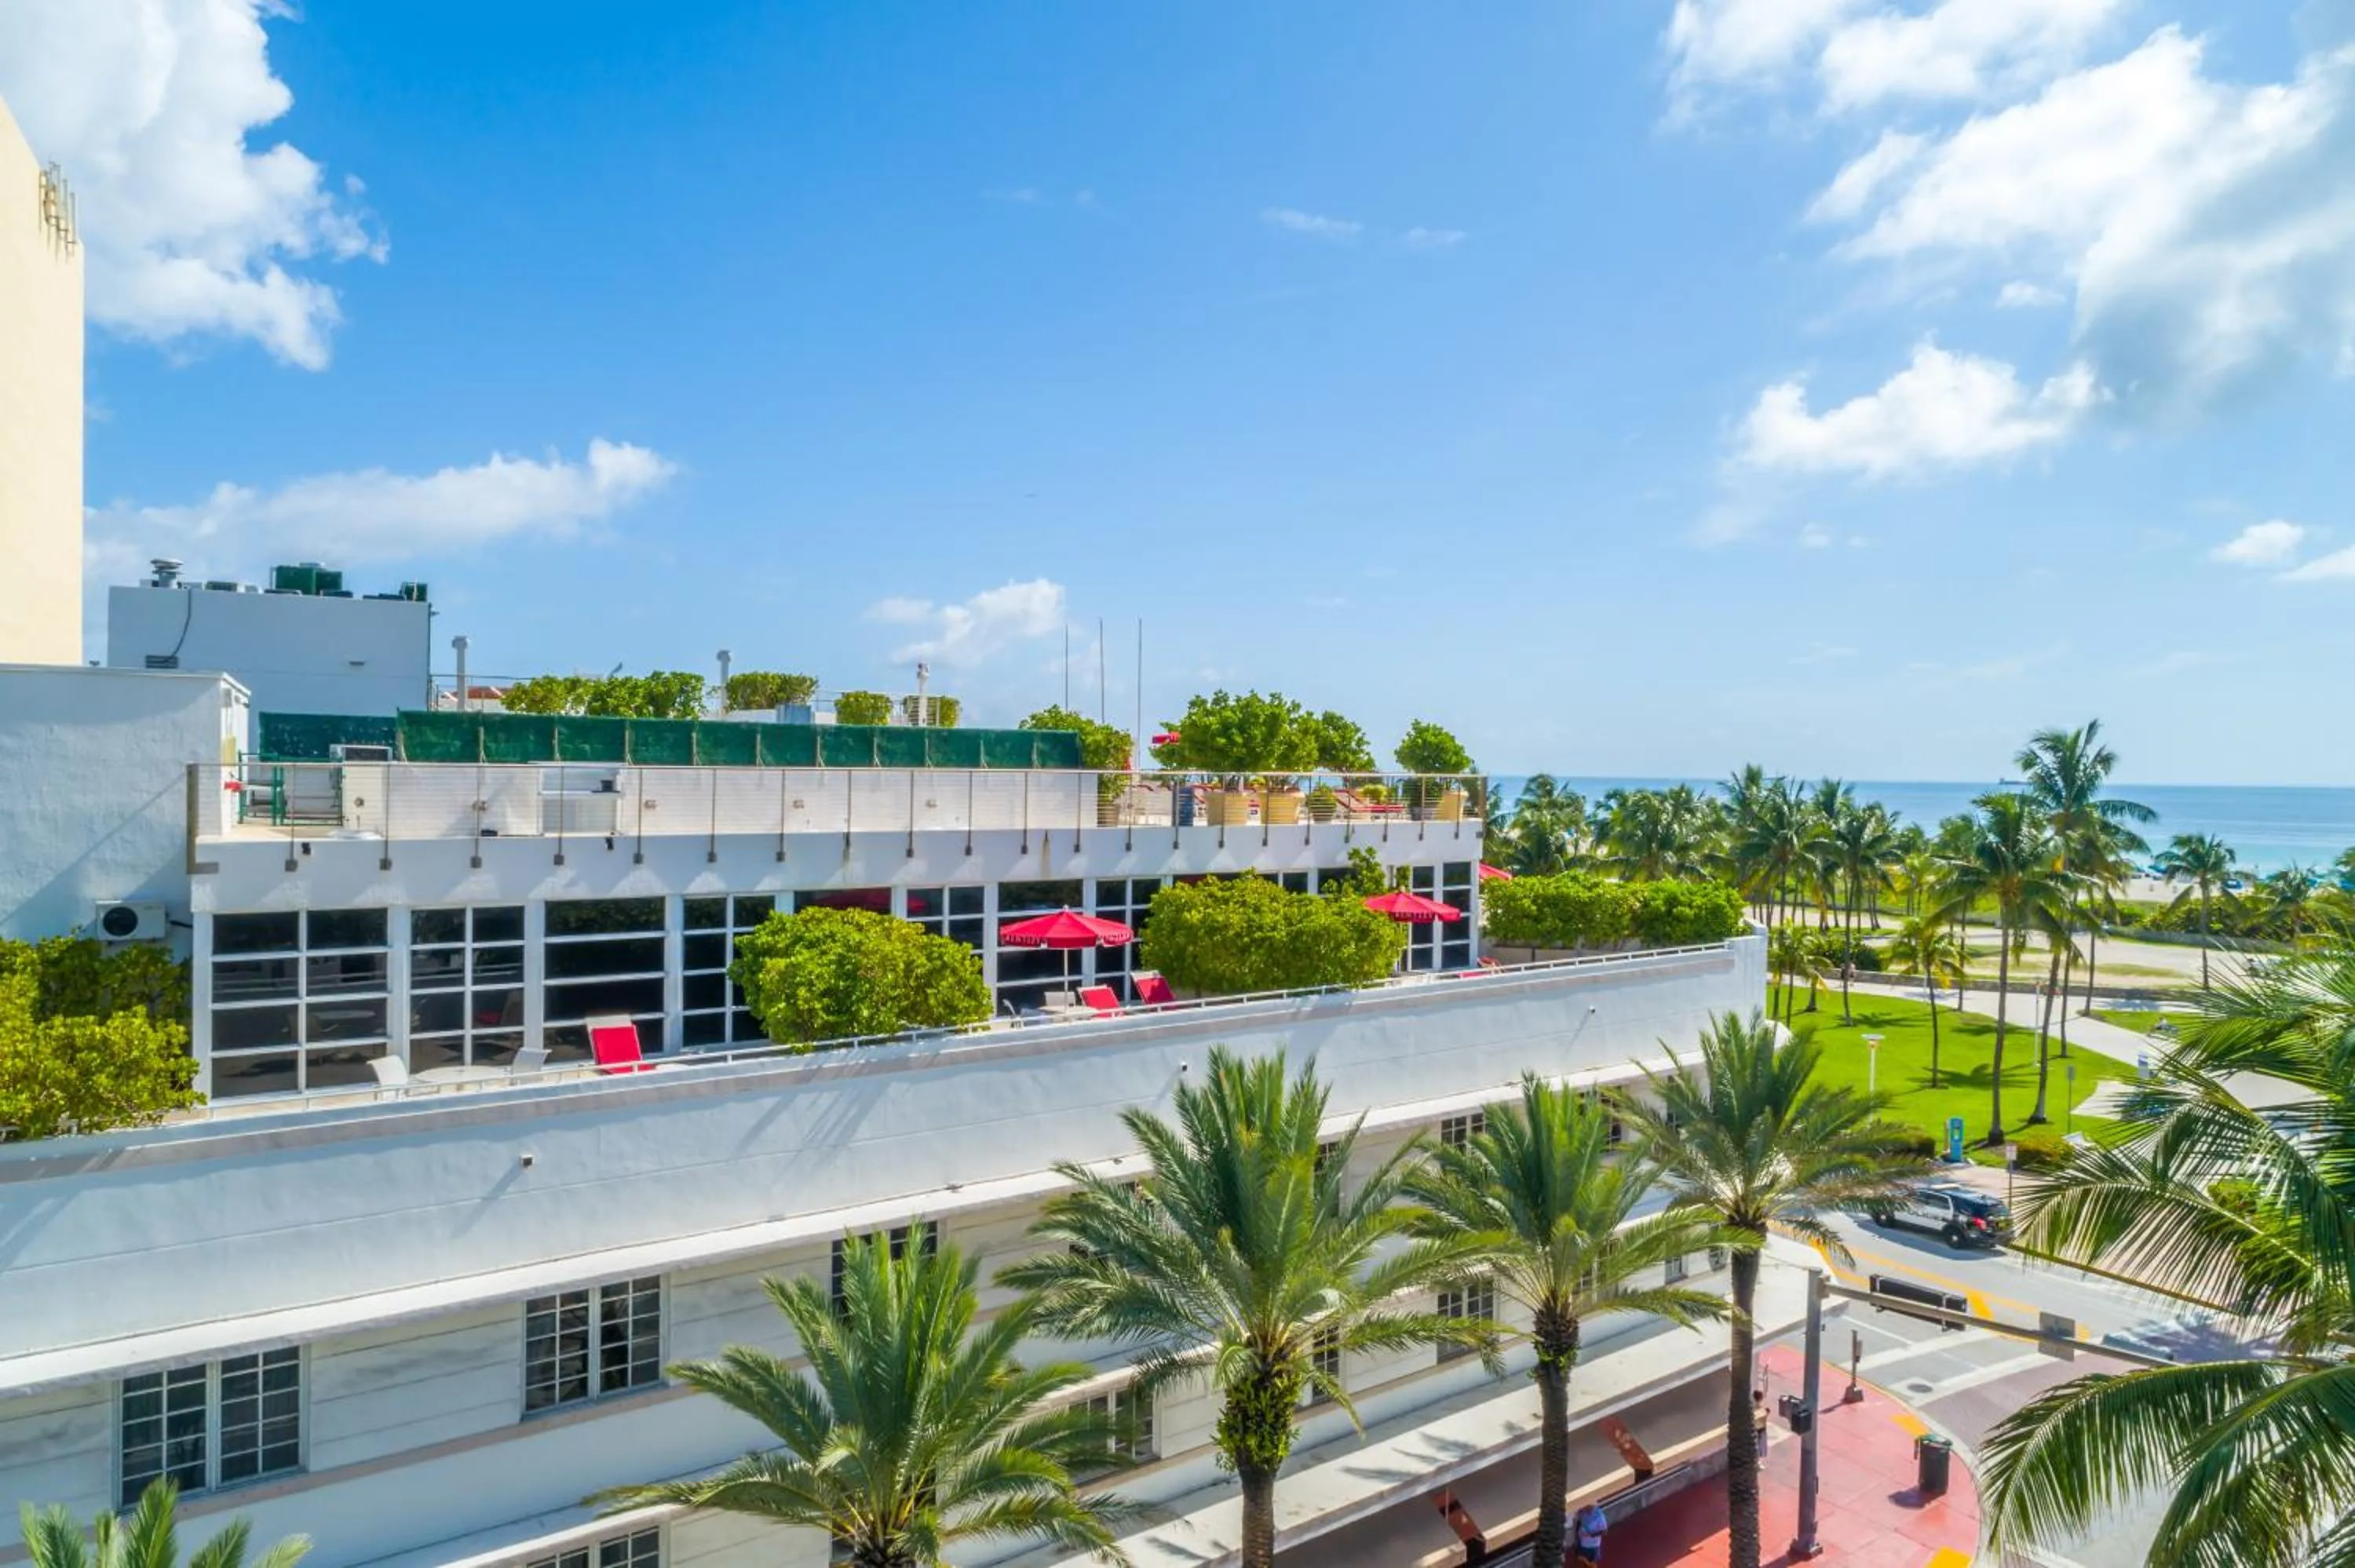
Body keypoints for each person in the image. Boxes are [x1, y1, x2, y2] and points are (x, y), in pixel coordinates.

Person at [1570, 1501, 1608, 1566]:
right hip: (1582, 1543)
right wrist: (1577, 1537)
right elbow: (1579, 1523)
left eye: (1586, 1506)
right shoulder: (1582, 1512)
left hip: (1593, 1546)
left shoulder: (1599, 1515)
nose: (1583, 1508)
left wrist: (1590, 1535)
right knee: (1580, 1561)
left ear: (1592, 1506)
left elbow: (1604, 1532)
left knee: (1592, 1563)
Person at [1754, 1385, 1771, 1458]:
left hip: (1757, 1429)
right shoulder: (1760, 1409)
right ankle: (1757, 1460)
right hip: (1760, 1429)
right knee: (1760, 1445)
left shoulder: (1756, 1408)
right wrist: (1766, 1413)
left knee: (1757, 1446)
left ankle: (1757, 1460)